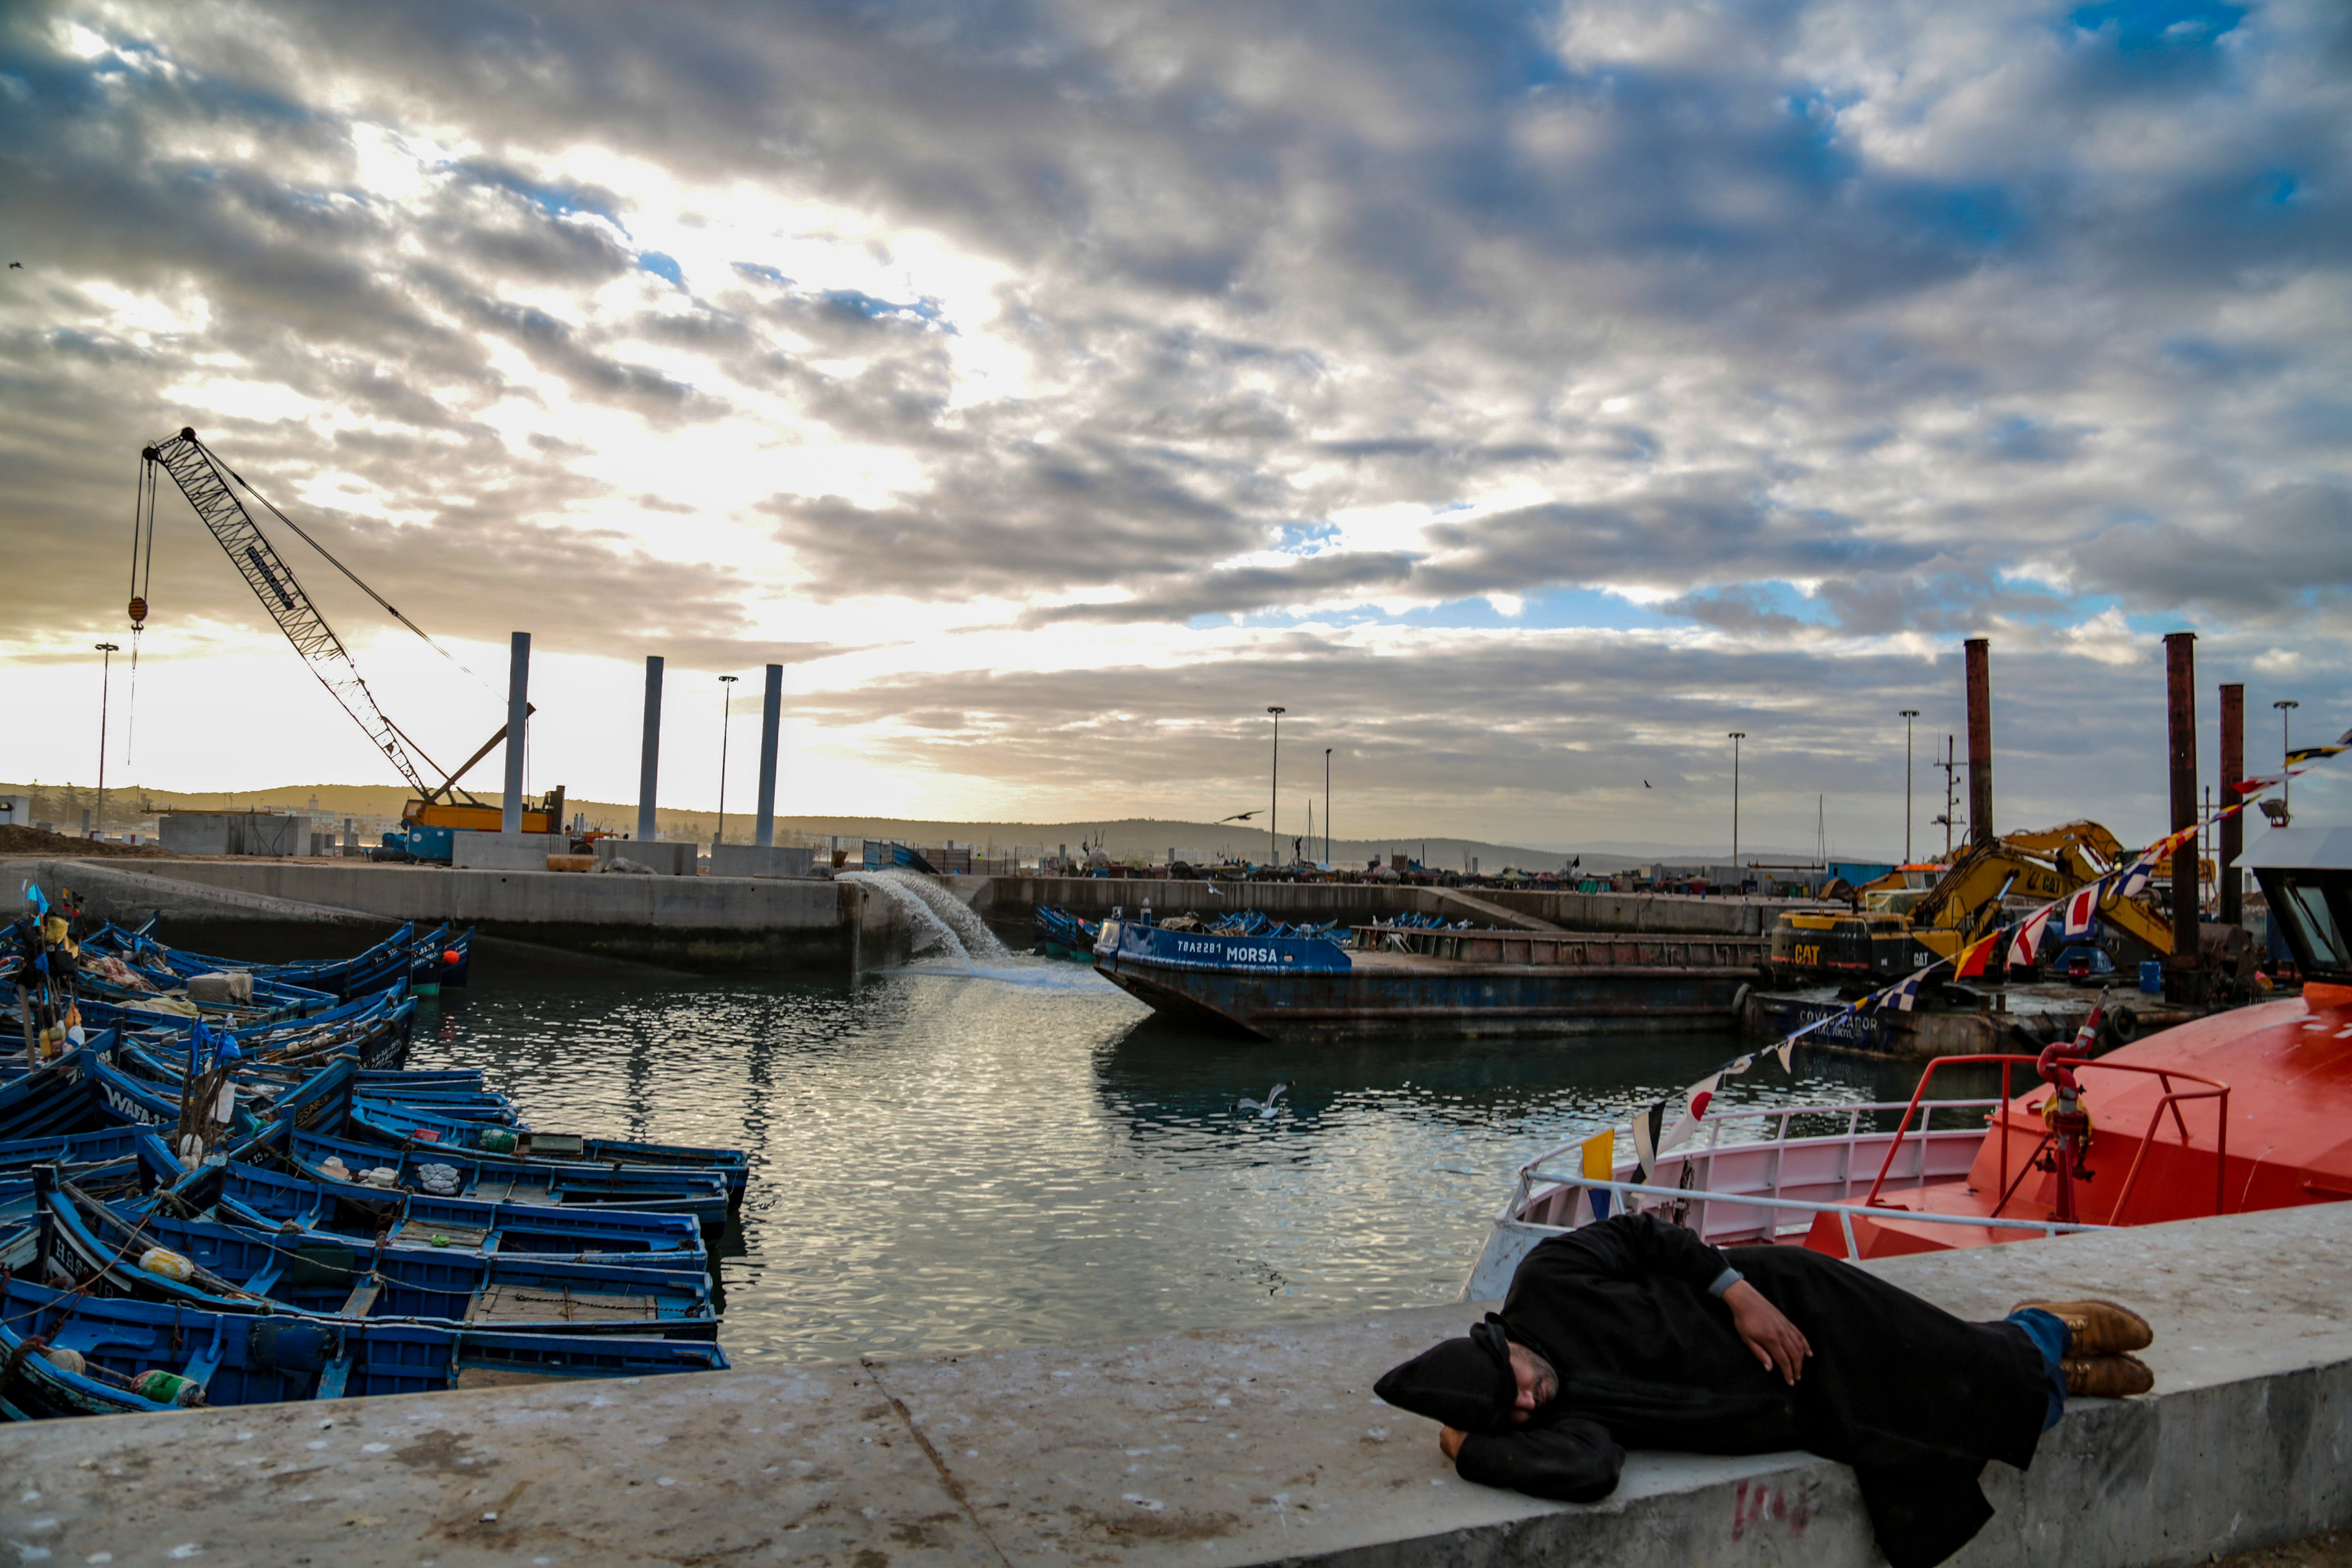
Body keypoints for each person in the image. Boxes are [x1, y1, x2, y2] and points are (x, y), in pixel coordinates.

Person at [1376, 1212, 2153, 1568]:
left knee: (1945, 1363)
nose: (1527, 1404)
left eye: (1510, 1387)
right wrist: (1469, 1445)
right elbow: (1589, 1473)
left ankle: (2047, 1335)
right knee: (1928, 1450)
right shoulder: (1559, 1420)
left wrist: (1735, 1290)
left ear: (1499, 1343)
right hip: (1797, 1408)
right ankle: (2056, 1370)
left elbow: (1649, 1234)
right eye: (1509, 1415)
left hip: (1793, 1306)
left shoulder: (1547, 1280)